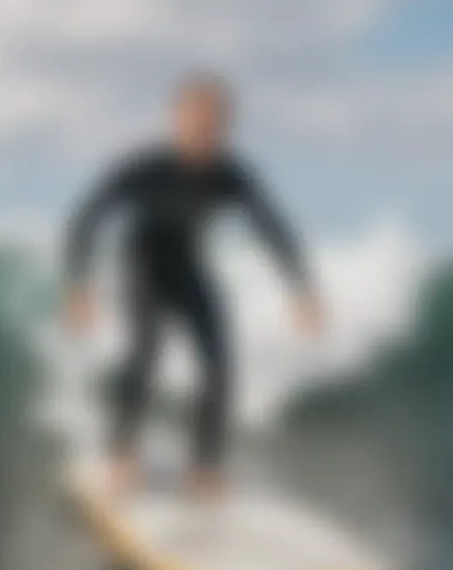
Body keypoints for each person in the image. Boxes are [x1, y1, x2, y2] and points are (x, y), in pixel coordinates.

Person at [61, 72, 325, 500]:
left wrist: (302, 289)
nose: (205, 131)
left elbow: (272, 227)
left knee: (220, 365)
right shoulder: (144, 168)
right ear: (176, 120)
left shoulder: (232, 175)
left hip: (189, 267)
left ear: (226, 128)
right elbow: (88, 217)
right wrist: (78, 285)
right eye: (197, 120)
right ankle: (122, 452)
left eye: (216, 123)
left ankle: (205, 465)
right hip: (144, 265)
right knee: (145, 353)